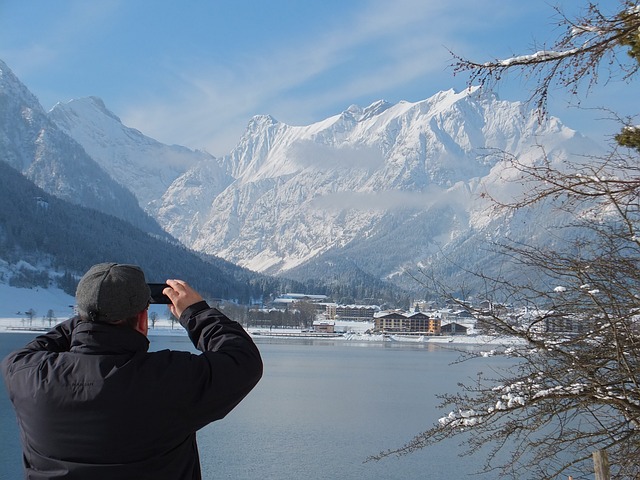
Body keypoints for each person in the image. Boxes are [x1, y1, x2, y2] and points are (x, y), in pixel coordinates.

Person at [1, 262, 263, 480]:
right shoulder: (168, 380)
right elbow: (243, 360)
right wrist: (196, 313)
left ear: (81, 316)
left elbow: (34, 349)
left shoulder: (27, 375)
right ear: (142, 319)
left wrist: (90, 315)